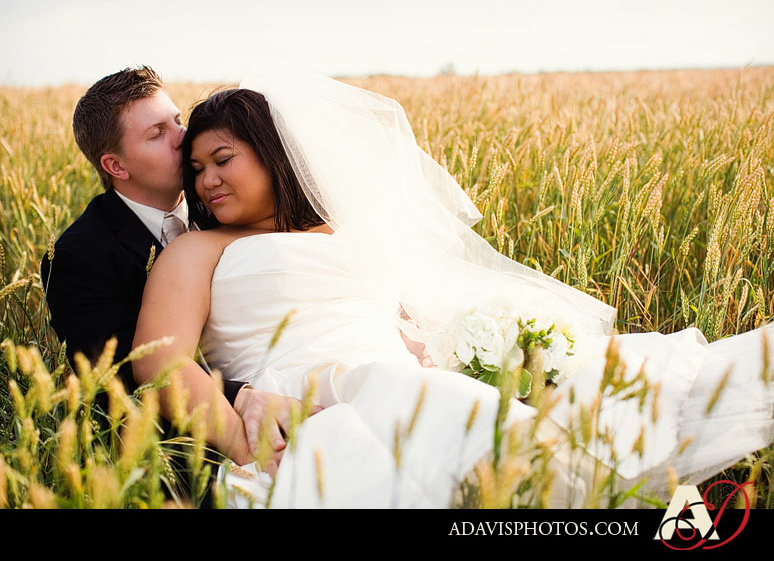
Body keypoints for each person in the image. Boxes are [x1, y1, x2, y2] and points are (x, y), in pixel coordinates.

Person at [132, 68, 774, 508]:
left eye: (224, 160)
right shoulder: (200, 249)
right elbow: (161, 358)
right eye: (196, 169)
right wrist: (242, 439)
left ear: (275, 156)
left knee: (582, 410)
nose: (208, 180)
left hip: (396, 375)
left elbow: (405, 325)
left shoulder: (350, 235)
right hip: (303, 406)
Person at [40, 66, 304, 490]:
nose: (183, 136)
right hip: (194, 445)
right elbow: (125, 373)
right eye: (157, 132)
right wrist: (241, 396)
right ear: (116, 165)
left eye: (178, 119)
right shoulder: (79, 256)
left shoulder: (229, 198)